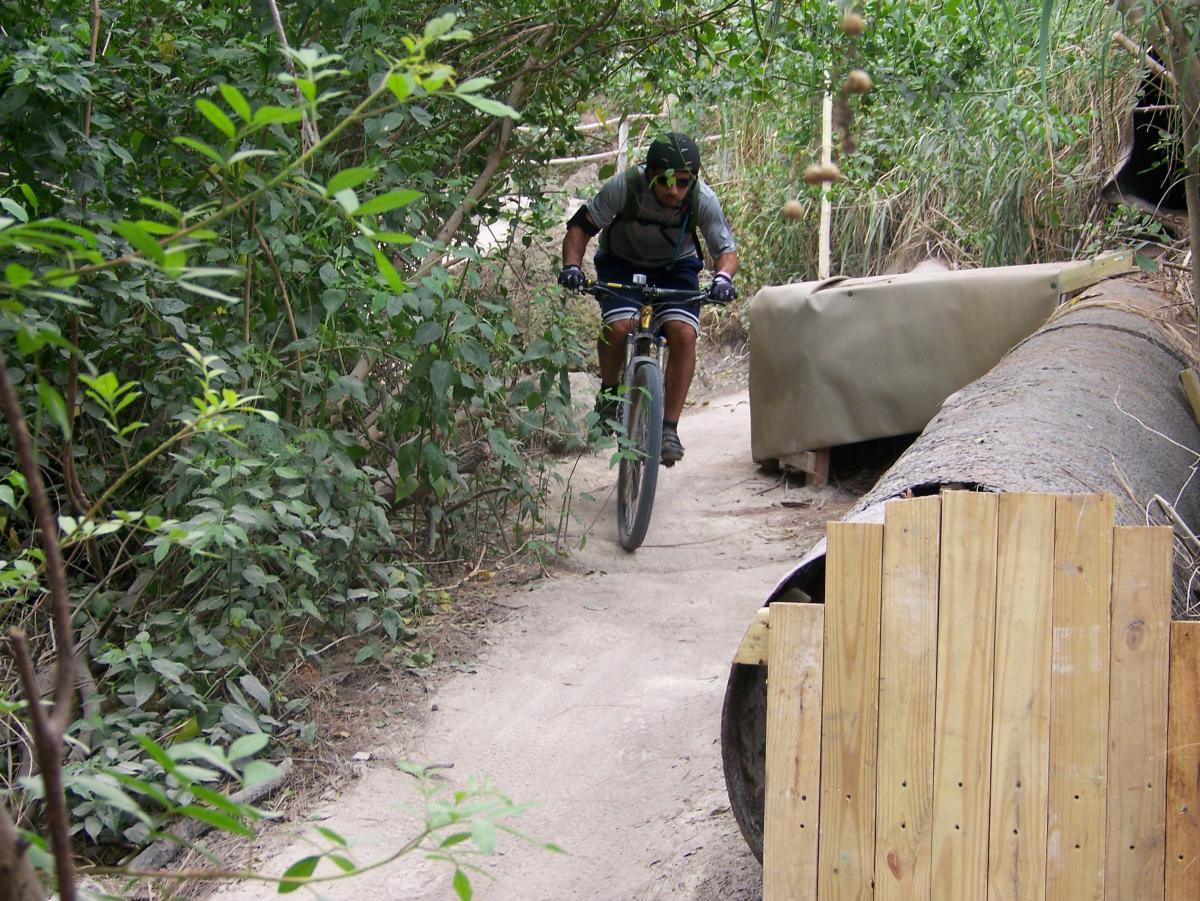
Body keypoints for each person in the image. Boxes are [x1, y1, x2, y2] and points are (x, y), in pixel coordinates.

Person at [557, 132, 739, 465]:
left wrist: (722, 279)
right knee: (619, 327)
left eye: (683, 183)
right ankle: (610, 393)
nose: (675, 191)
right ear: (651, 174)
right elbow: (580, 227)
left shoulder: (703, 198)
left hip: (675, 268)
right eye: (667, 182)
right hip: (622, 265)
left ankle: (668, 429)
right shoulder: (624, 187)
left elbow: (725, 251)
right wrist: (572, 266)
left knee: (684, 335)